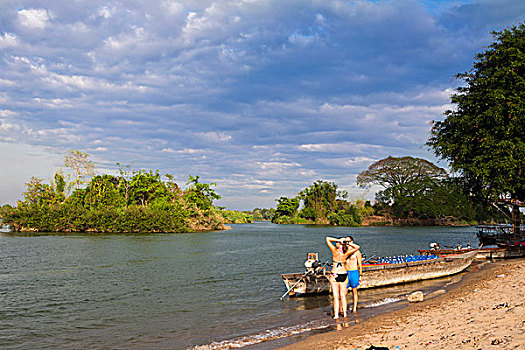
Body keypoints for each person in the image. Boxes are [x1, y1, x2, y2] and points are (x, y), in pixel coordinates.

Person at [326, 236, 360, 319]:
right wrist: (347, 242)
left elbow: (327, 239)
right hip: (343, 274)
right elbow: (357, 247)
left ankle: (336, 315)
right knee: (343, 296)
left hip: (335, 274)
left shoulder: (334, 251)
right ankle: (344, 314)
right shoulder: (346, 253)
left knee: (336, 296)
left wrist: (338, 240)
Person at [344, 236, 362, 313]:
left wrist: (360, 275)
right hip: (345, 272)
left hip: (354, 272)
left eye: (348, 241)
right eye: (346, 241)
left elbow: (360, 265)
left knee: (354, 291)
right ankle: (343, 309)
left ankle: (354, 308)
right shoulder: (344, 252)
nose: (347, 243)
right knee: (344, 292)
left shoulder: (356, 252)